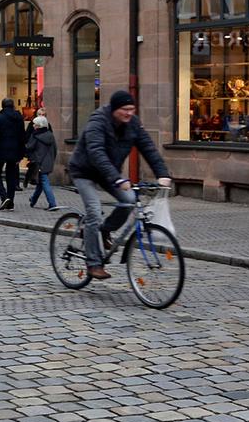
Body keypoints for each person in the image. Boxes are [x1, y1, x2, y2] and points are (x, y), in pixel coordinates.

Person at [67, 90, 172, 280]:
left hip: (109, 174)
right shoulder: (98, 122)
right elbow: (96, 152)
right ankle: (93, 263)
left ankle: (105, 229)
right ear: (115, 109)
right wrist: (118, 179)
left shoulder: (133, 124)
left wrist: (162, 174)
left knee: (130, 199)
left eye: (132, 109)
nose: (129, 113)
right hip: (84, 171)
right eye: (125, 109)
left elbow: (148, 148)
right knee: (93, 211)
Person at [0, 99, 27, 210]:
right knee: (11, 177)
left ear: (2, 106)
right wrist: (21, 154)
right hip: (14, 151)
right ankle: (11, 201)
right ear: (13, 105)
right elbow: (22, 136)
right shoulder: (18, 118)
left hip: (0, 151)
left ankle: (4, 198)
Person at [25, 115, 60, 210]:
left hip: (39, 163)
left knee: (44, 182)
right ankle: (33, 200)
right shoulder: (50, 135)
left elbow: (29, 147)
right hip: (48, 162)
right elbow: (55, 150)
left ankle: (52, 204)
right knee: (40, 183)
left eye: (35, 124)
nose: (33, 126)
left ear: (39, 125)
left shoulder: (35, 135)